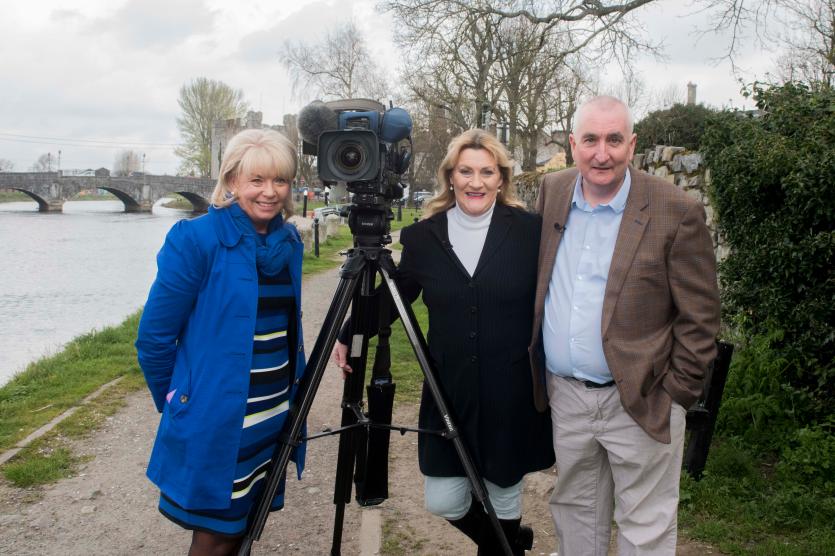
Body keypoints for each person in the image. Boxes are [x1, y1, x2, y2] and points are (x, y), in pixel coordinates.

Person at [333, 129, 555, 555]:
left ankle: (507, 541)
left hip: (509, 394)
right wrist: (349, 332)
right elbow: (396, 297)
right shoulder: (425, 237)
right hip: (448, 391)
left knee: (503, 496)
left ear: (501, 179)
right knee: (444, 499)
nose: (476, 182)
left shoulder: (530, 233)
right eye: (466, 171)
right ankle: (511, 545)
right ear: (450, 176)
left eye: (487, 172)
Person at [529, 96, 720, 555]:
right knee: (575, 513)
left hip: (643, 398)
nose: (602, 153)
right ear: (572, 144)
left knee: (645, 526)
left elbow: (701, 317)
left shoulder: (676, 210)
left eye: (614, 140)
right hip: (567, 398)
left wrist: (676, 394)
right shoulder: (552, 191)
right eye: (591, 140)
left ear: (632, 145)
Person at [135, 129, 306, 556]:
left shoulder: (288, 243)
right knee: (215, 538)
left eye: (280, 181)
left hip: (271, 415)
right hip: (217, 419)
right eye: (257, 180)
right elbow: (154, 338)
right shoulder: (196, 240)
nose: (270, 192)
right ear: (231, 180)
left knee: (245, 528)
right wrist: (180, 401)